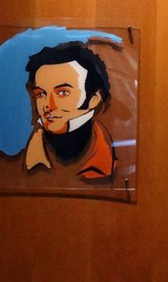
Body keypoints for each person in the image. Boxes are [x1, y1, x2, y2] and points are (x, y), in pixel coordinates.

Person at [23, 42, 115, 180]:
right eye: (41, 94)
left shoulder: (117, 160)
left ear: (94, 99)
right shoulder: (17, 162)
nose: (48, 105)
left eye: (63, 93)